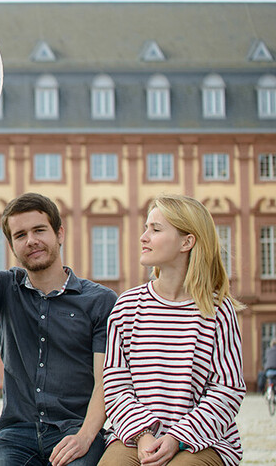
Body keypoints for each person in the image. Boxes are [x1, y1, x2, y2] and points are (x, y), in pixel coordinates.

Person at [100, 195, 245, 466]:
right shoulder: (127, 306)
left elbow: (227, 389)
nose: (143, 237)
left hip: (205, 441)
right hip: (134, 437)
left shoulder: (218, 311)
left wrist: (177, 438)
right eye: (146, 228)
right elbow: (116, 383)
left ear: (186, 242)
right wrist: (143, 435)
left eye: (155, 229)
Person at [0, 192, 117, 466]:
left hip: (76, 429)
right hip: (17, 435)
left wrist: (85, 436)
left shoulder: (100, 301)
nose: (31, 240)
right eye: (20, 235)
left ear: (59, 233)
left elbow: (105, 382)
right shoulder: (7, 289)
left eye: (39, 230)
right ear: (12, 246)